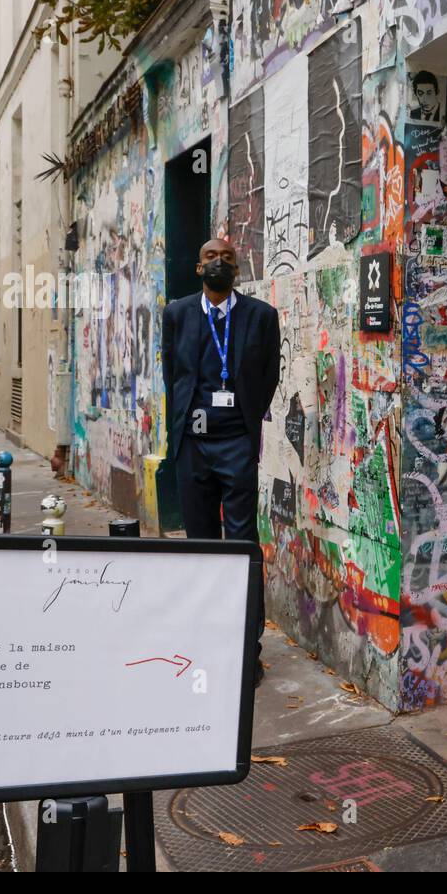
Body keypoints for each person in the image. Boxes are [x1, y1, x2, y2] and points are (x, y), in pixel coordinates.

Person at [161, 238, 280, 685]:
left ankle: (248, 651)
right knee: (202, 547)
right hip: (193, 446)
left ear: (237, 269)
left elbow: (269, 374)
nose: (218, 262)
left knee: (243, 547)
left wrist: (243, 423)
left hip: (236, 445)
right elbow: (173, 375)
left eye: (227, 258)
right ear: (198, 267)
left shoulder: (261, 317)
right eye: (210, 256)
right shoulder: (177, 314)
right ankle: (208, 644)